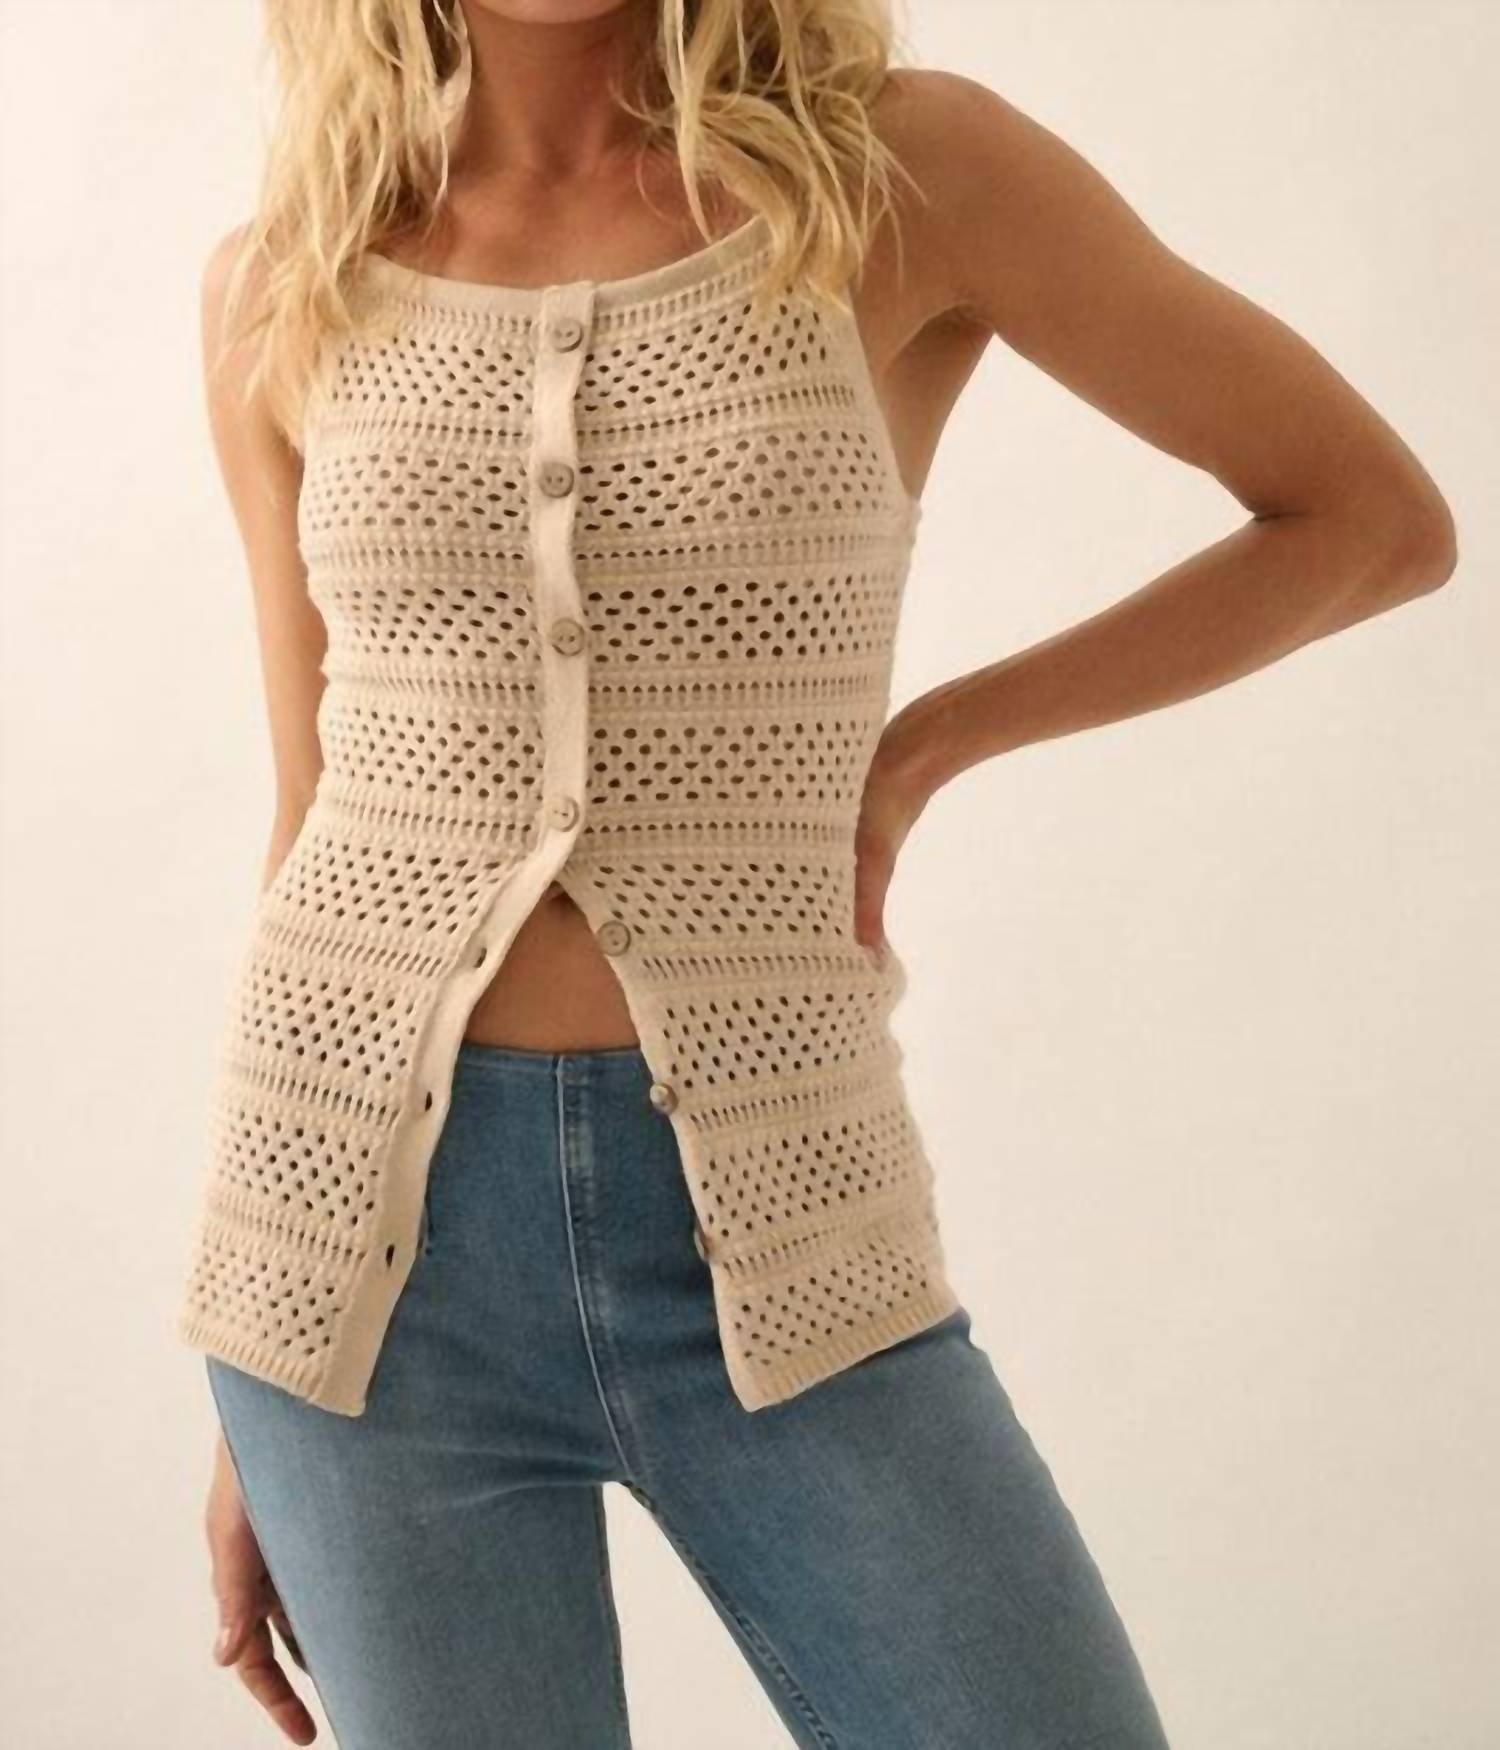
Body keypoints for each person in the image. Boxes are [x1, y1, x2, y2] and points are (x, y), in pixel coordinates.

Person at [184, 2, 1457, 1746]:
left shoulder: (895, 172)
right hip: (357, 1280)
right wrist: (262, 1372)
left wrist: (927, 745)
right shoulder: (285, 279)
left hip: (788, 1225)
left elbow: (1368, 518)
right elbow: (314, 804)